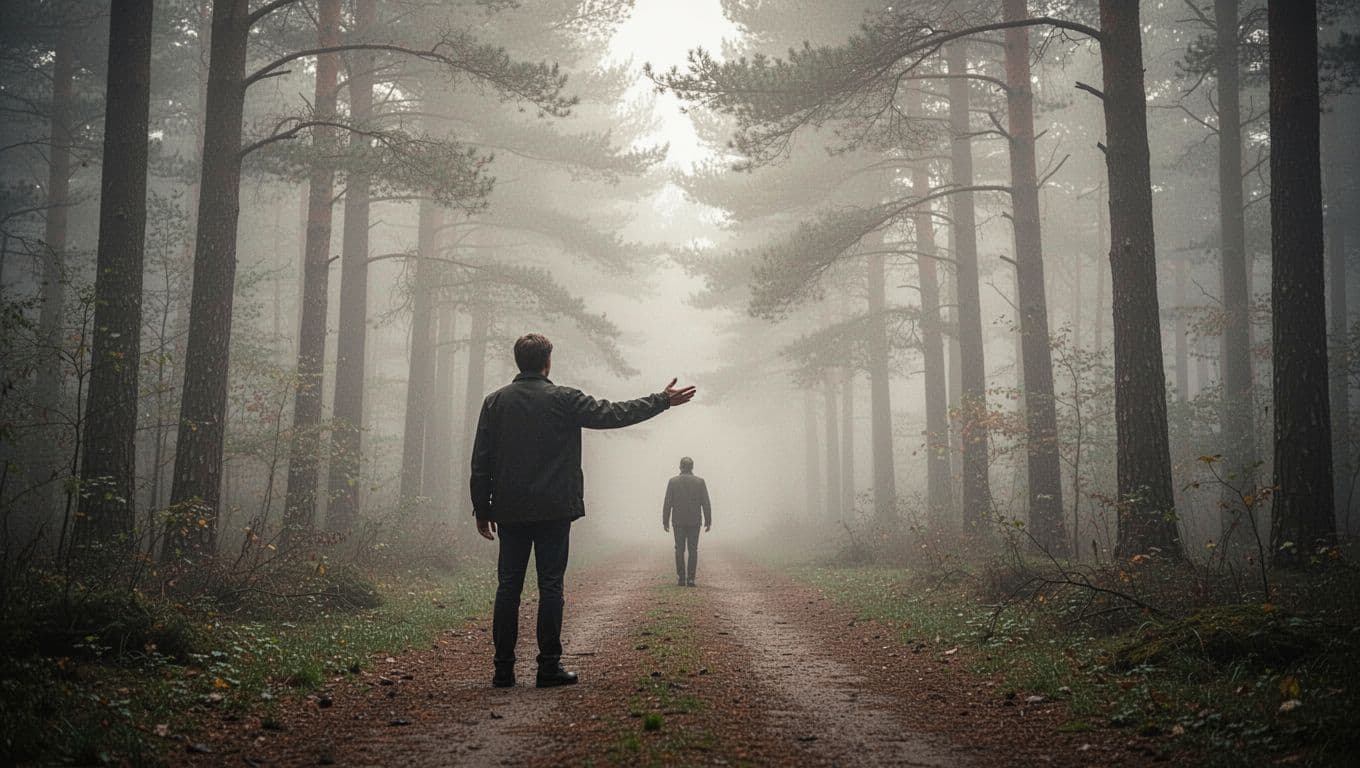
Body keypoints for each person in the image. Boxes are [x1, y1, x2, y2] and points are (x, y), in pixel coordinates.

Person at [470, 333, 696, 689]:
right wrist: (661, 401)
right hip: (554, 510)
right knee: (551, 585)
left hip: (510, 511)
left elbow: (481, 460)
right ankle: (548, 667)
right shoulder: (564, 399)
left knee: (508, 586)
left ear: (519, 362)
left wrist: (482, 508)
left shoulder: (495, 402)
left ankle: (503, 670)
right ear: (547, 363)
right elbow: (614, 414)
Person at [662, 456, 711, 587]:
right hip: (695, 521)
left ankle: (681, 578)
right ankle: (691, 579)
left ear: (680, 467)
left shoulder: (673, 482)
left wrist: (665, 521)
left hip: (678, 521)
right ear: (692, 467)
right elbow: (705, 502)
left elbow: (668, 503)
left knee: (679, 549)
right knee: (693, 549)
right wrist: (708, 520)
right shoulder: (700, 482)